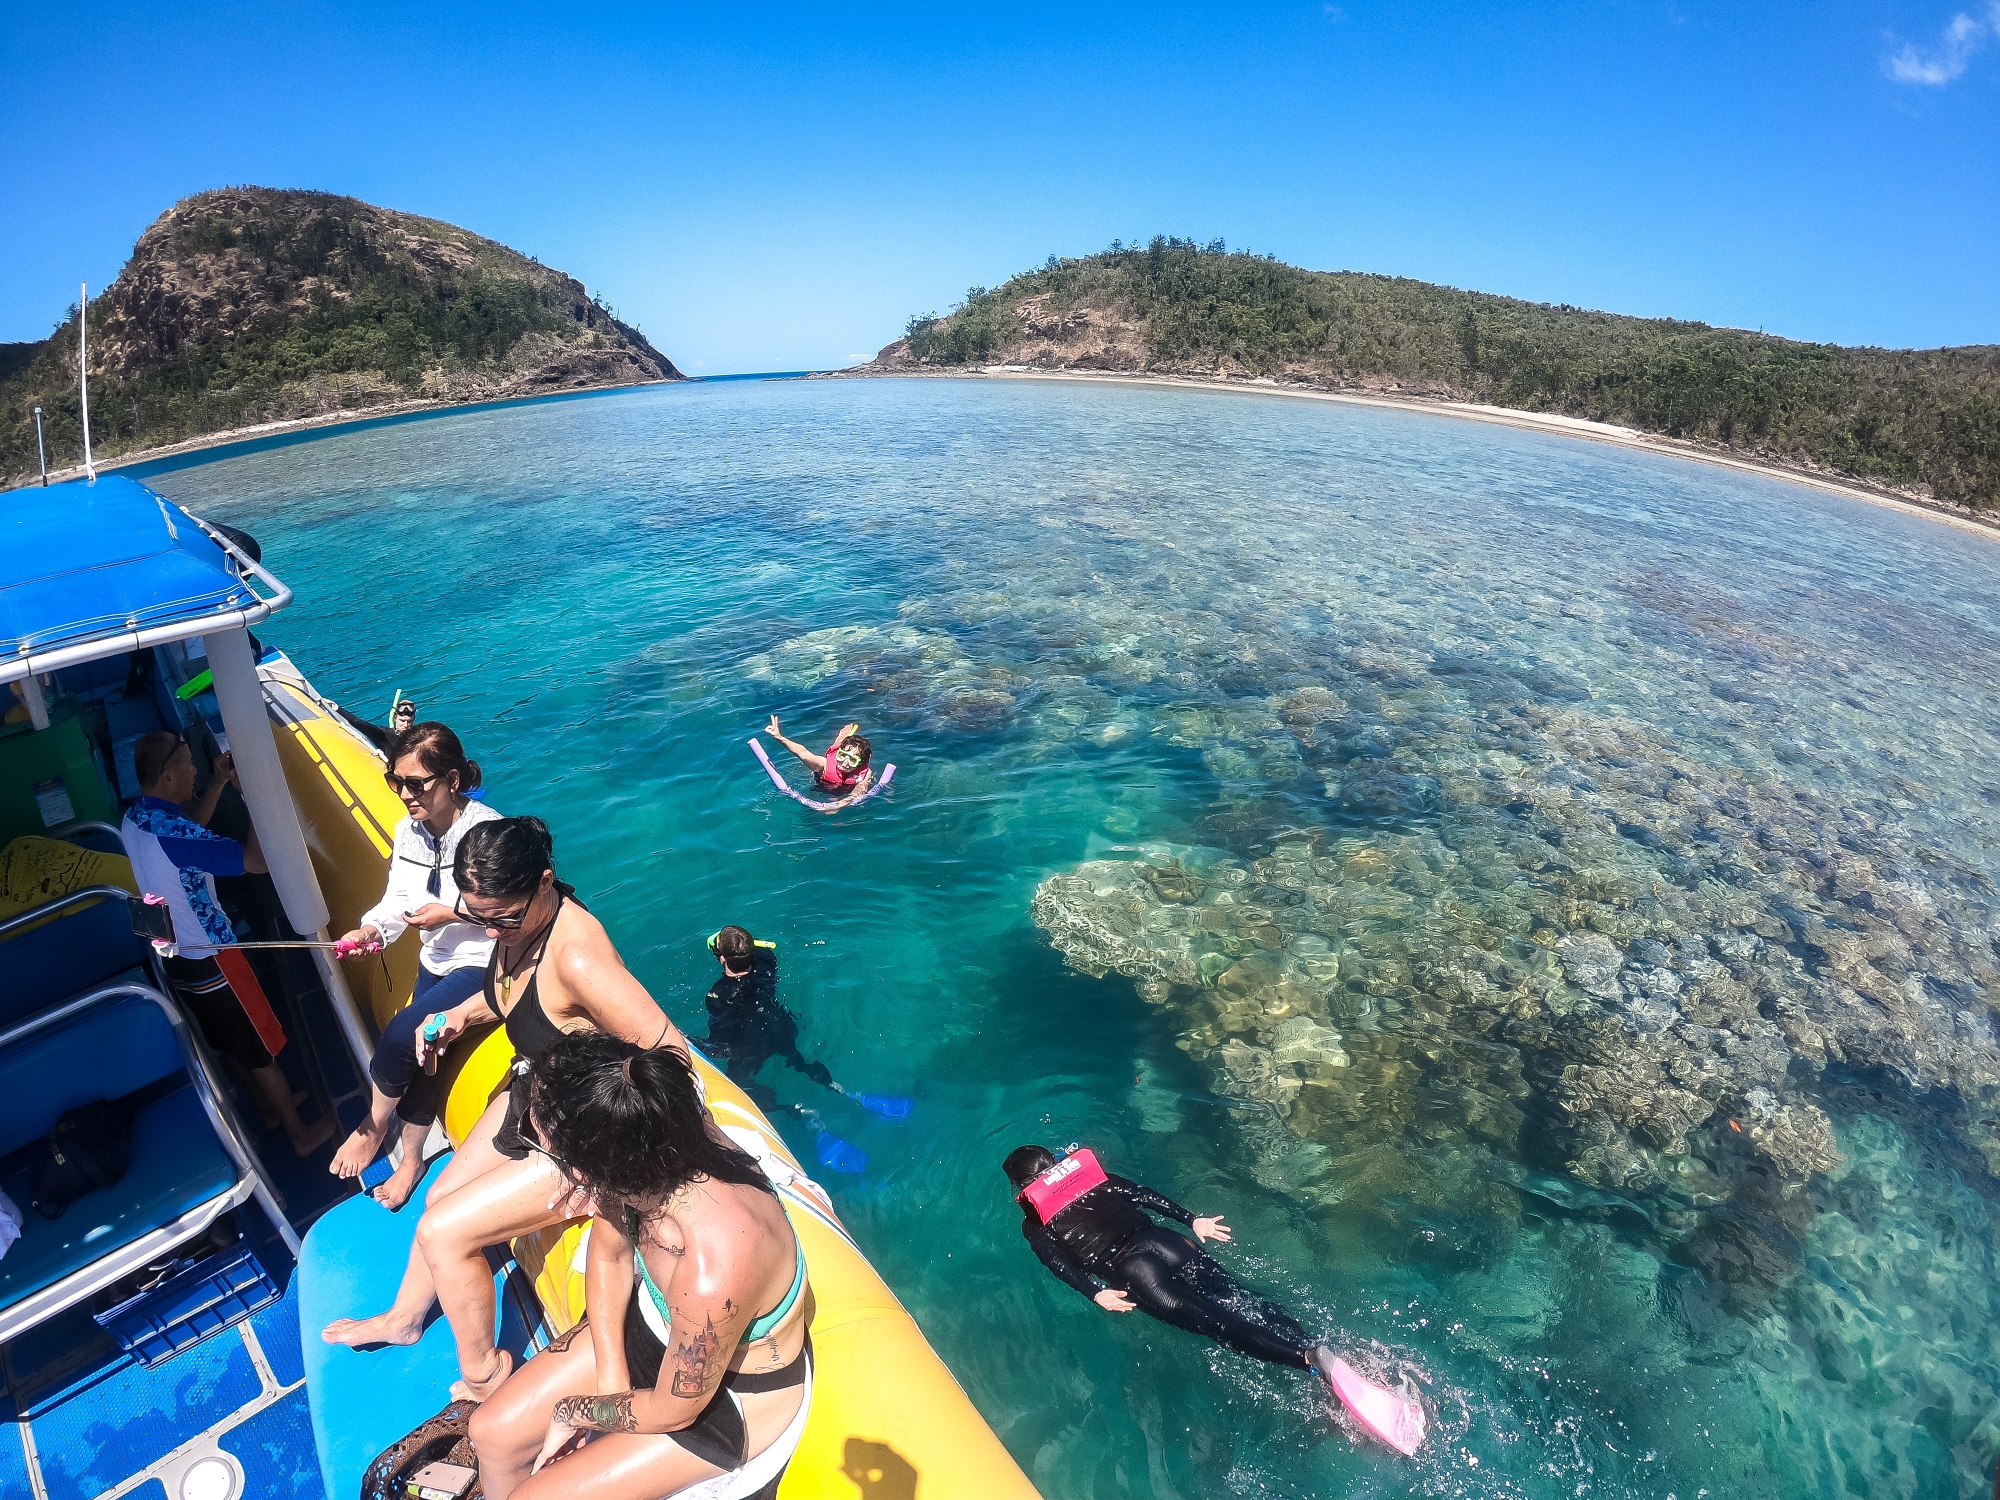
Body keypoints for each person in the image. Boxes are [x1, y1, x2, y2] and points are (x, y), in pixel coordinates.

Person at [322, 817, 689, 1400]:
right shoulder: (516, 928)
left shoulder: (579, 960)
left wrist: (619, 1166)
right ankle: (404, 1320)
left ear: (545, 883)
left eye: (503, 919)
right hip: (535, 1095)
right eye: (478, 917)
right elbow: (505, 994)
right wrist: (456, 1017)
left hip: (583, 1142)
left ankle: (486, 1380)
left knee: (445, 1232)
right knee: (439, 1196)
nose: (491, 932)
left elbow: (671, 1055)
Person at [468, 1033, 813, 1500]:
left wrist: (575, 1410)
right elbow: (610, 1253)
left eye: (535, 1140)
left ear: (583, 1173)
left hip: (725, 1400)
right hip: (661, 1327)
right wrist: (611, 1377)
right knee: (491, 1431)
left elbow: (675, 1410)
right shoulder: (644, 1146)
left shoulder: (714, 1265)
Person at [1002, 1143, 1424, 1453]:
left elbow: (1058, 1263)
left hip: (1132, 1270)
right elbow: (1144, 1194)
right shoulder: (1093, 1177)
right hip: (1167, 1241)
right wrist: (1192, 1219)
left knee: (1216, 1321)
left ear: (1022, 1187)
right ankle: (1330, 1354)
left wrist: (1096, 1292)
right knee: (1241, 1298)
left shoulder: (1034, 1223)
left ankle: (1309, 1361)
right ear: (1058, 1166)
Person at [123, 730, 336, 1157]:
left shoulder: (135, 819)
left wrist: (217, 785)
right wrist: (249, 795)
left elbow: (187, 833)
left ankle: (270, 1110)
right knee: (258, 1046)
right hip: (215, 960)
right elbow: (256, 862)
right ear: (167, 776)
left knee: (229, 1041)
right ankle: (300, 1135)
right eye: (188, 764)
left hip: (174, 957)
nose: (195, 770)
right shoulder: (179, 838)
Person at [328, 722, 501, 1210]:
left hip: (480, 964)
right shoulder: (409, 832)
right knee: (428, 1063)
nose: (405, 794)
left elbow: (515, 909)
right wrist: (371, 932)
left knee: (408, 1032)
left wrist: (452, 913)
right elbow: (397, 902)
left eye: (416, 784)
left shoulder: (487, 832)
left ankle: (372, 1126)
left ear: (450, 779)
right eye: (395, 782)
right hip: (436, 959)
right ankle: (411, 1161)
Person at [700, 926, 840, 1116]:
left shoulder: (717, 995)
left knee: (736, 1083)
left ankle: (787, 1109)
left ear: (723, 959)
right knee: (797, 1060)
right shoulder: (766, 959)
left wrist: (703, 1046)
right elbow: (754, 950)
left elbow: (720, 1036)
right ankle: (833, 1085)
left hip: (752, 1043)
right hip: (781, 1026)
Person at [762, 717, 873, 800]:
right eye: (842, 755)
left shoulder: (865, 773)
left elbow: (858, 793)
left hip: (843, 790)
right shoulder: (824, 764)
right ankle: (844, 734)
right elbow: (803, 753)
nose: (845, 762)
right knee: (840, 743)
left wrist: (840, 804)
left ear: (860, 763)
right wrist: (779, 737)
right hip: (822, 783)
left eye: (852, 760)